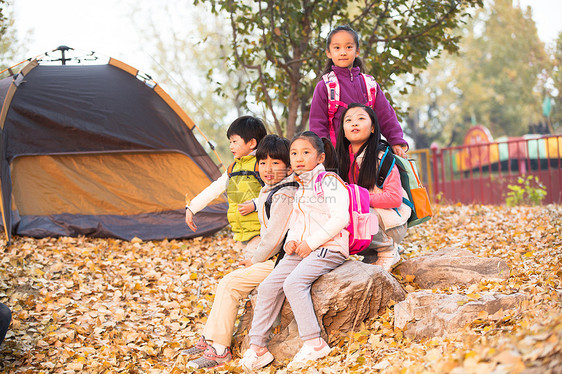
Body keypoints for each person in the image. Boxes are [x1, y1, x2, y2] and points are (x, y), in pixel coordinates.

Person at [184, 135, 297, 369]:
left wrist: (255, 261)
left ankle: (220, 350)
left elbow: (275, 238)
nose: (267, 168)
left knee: (230, 283)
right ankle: (210, 340)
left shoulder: (285, 193)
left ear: (288, 166)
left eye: (275, 163)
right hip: (275, 258)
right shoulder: (272, 189)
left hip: (283, 260)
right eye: (263, 162)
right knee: (228, 281)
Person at [239, 131, 350, 371]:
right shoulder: (300, 185)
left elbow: (340, 218)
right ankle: (258, 348)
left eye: (306, 152)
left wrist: (310, 242)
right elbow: (298, 222)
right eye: (294, 153)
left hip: (329, 247)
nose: (299, 158)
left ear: (320, 158)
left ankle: (314, 343)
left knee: (293, 284)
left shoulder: (329, 181)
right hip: (303, 248)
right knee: (269, 285)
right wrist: (294, 241)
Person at [309, 25, 409, 158]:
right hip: (339, 158)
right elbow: (317, 125)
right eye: (337, 48)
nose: (343, 52)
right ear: (329, 53)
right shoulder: (325, 86)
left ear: (357, 51)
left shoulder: (370, 85)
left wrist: (396, 141)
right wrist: (325, 154)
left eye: (349, 47)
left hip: (370, 157)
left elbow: (386, 116)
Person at [336, 103, 411, 271]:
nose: (354, 123)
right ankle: (374, 252)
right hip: (371, 221)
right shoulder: (341, 159)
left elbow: (394, 198)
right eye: (348, 120)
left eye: (361, 119)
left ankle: (388, 249)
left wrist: (357, 198)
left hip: (391, 223)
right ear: (343, 130)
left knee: (354, 213)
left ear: (372, 128)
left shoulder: (381, 157)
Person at [186, 116, 267, 255]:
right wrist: (192, 208)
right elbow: (215, 189)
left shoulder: (262, 165)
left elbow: (274, 194)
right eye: (230, 142)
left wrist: (255, 204)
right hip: (241, 233)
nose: (231, 146)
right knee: (246, 266)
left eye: (235, 141)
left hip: (260, 232)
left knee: (251, 267)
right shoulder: (233, 169)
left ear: (252, 143)